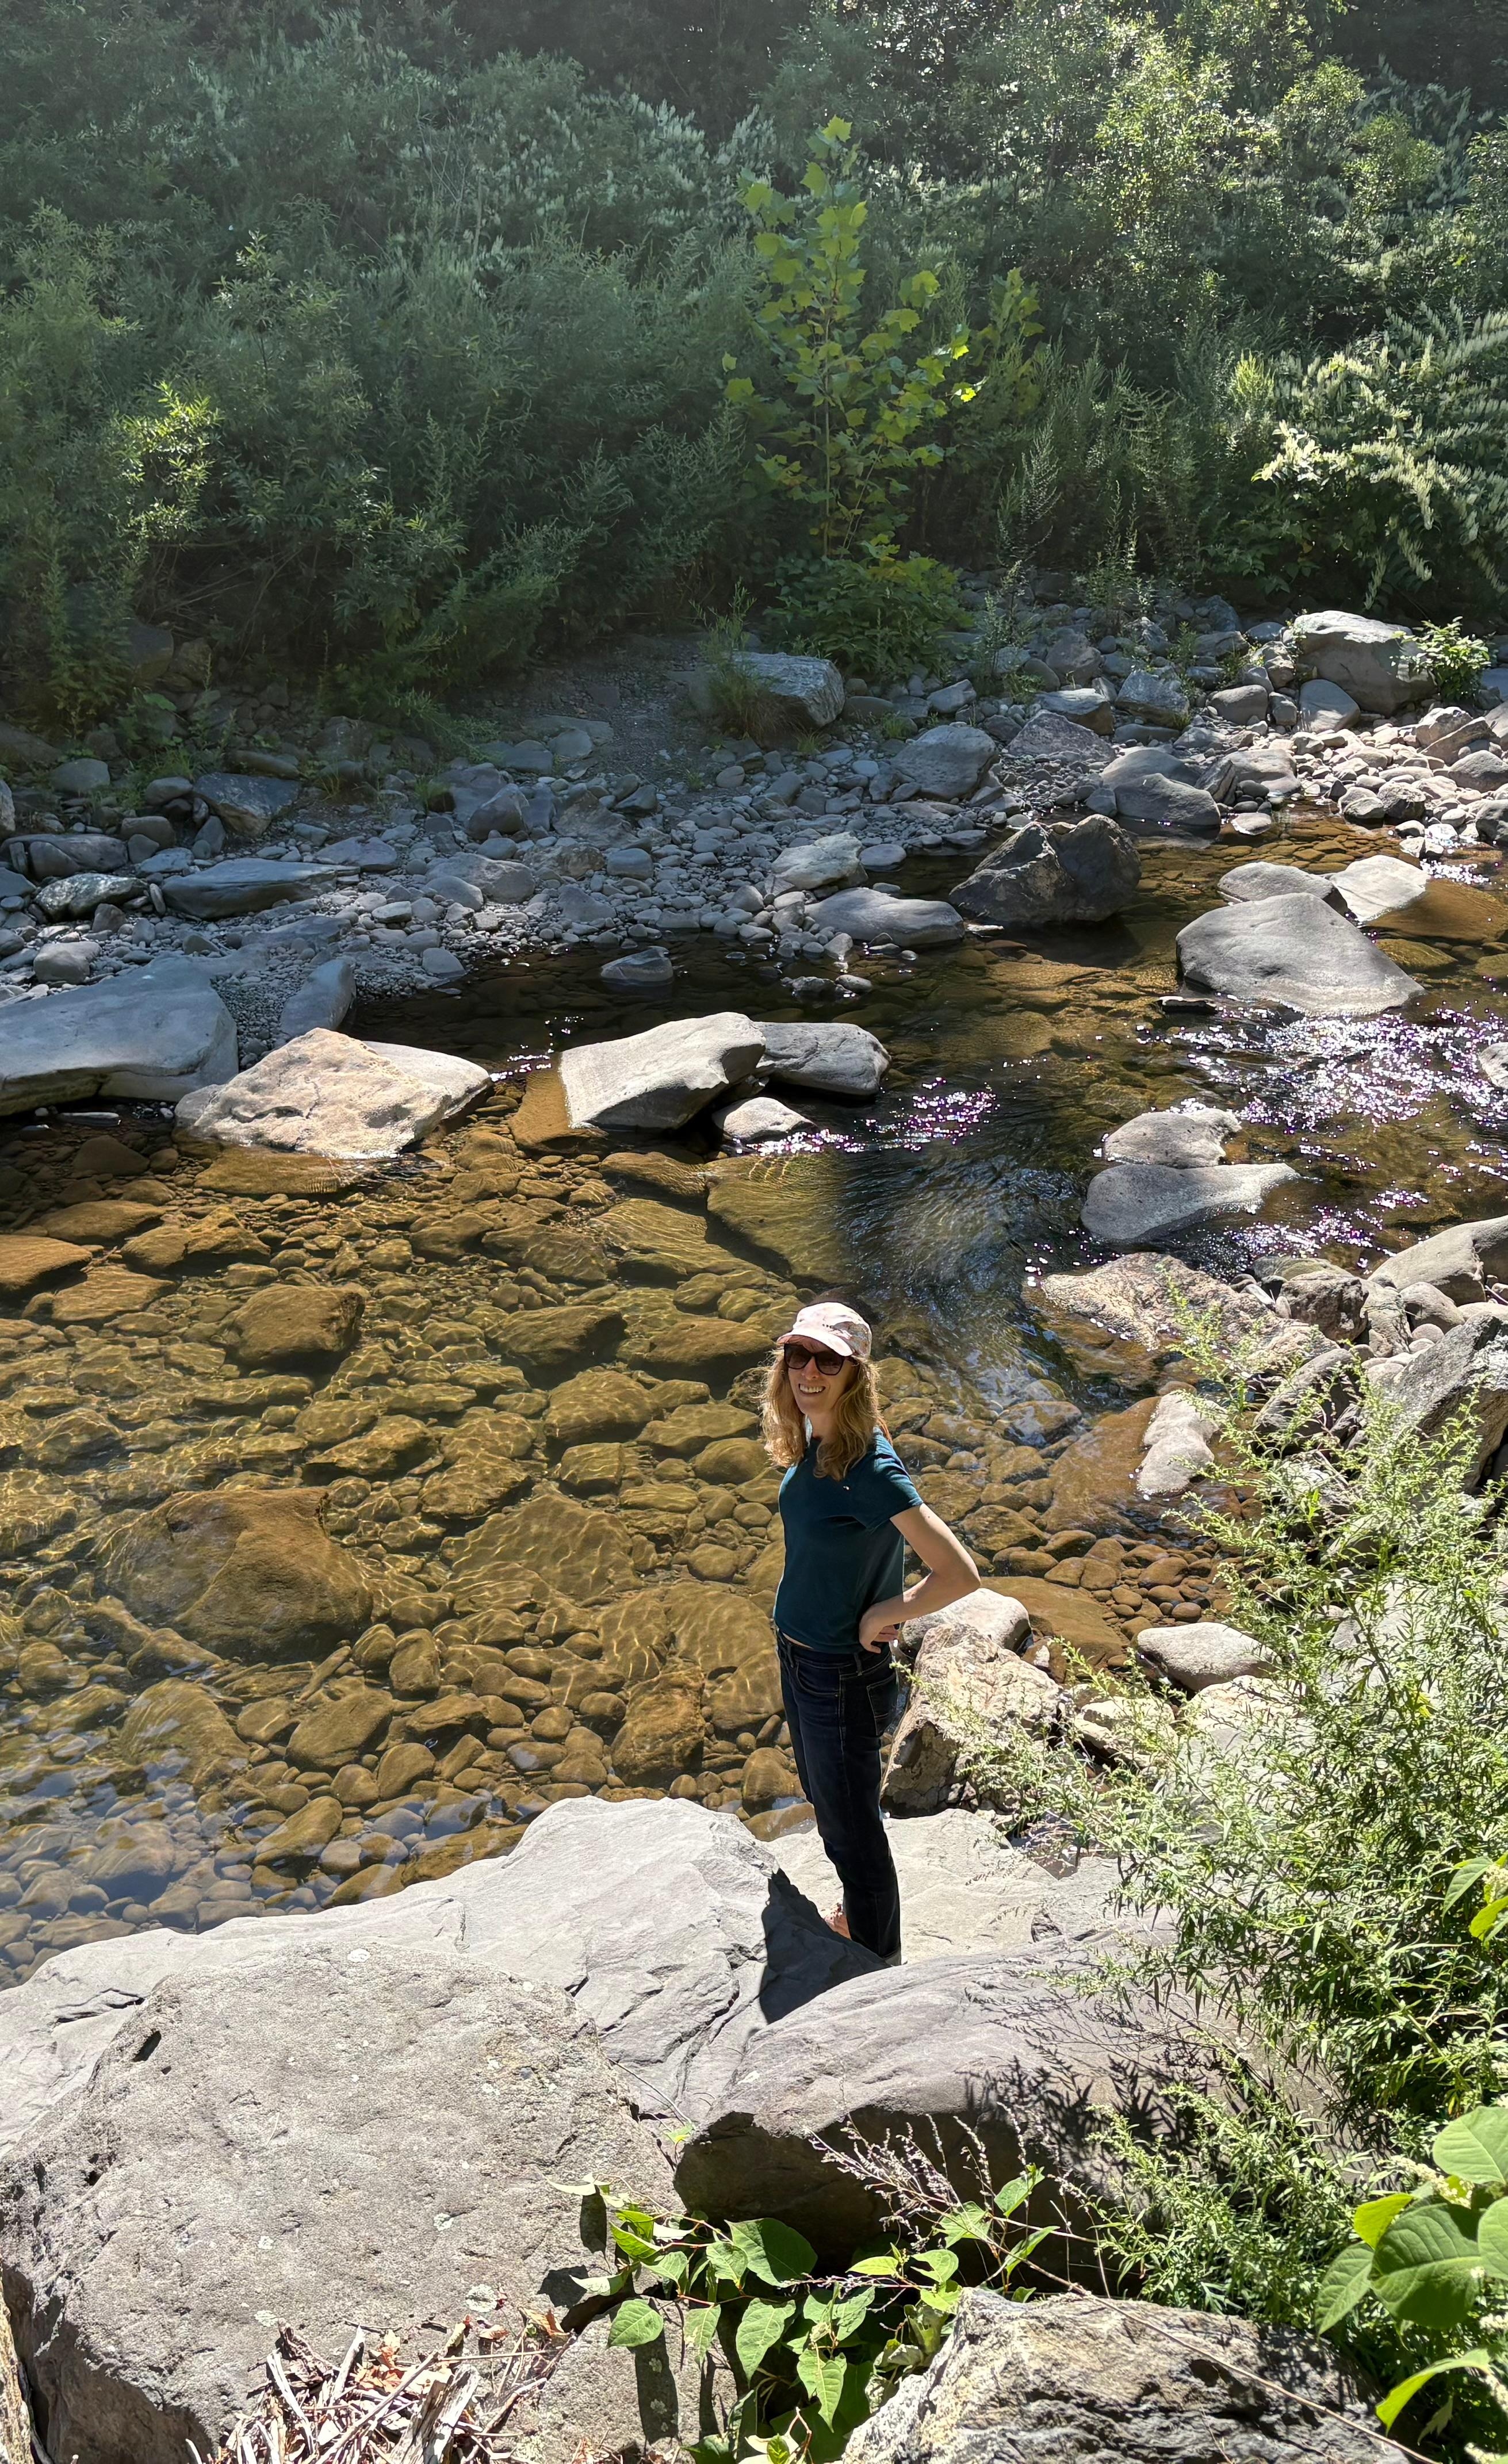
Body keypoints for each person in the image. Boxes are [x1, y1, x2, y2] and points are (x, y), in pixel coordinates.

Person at [763, 1300, 979, 1964]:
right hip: (802, 1655)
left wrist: (888, 1614)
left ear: (856, 1374)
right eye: (798, 1355)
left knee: (853, 1828)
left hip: (838, 1673)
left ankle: (877, 1953)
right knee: (830, 1806)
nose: (809, 1371)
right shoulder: (819, 1441)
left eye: (829, 1360)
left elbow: (959, 1574)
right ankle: (861, 1919)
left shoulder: (871, 1469)